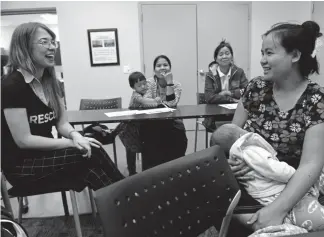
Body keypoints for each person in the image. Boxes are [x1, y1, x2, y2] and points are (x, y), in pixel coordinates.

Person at [211, 21, 324, 233]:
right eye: (262, 53)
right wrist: (231, 161)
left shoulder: (317, 99)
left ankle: (269, 220)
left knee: (311, 218)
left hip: (291, 181)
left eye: (269, 53)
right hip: (251, 175)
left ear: (295, 56)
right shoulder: (256, 88)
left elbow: (310, 164)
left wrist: (277, 209)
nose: (262, 60)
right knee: (207, 189)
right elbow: (232, 137)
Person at [1, 22, 124, 191]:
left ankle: (126, 208)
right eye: (44, 42)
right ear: (24, 47)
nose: (52, 47)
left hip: (46, 157)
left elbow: (62, 124)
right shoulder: (12, 87)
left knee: (90, 165)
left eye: (53, 42)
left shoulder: (52, 83)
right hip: (21, 167)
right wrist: (71, 143)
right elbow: (24, 140)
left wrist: (75, 136)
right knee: (90, 151)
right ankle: (131, 194)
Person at [212, 124, 324, 232]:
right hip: (282, 188)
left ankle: (289, 226)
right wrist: (293, 174)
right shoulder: (251, 151)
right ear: (241, 137)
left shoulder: (241, 153)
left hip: (266, 196)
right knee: (314, 217)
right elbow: (277, 170)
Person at [140, 55, 188, 170]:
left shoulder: (176, 84)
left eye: (165, 65)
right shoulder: (149, 83)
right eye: (158, 65)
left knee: (178, 134)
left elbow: (171, 104)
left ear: (170, 68)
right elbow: (147, 103)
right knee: (152, 135)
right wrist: (161, 103)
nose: (162, 68)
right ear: (154, 69)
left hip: (171, 121)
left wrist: (169, 83)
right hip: (151, 121)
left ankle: (175, 168)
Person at [116, 71, 162, 175]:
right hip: (129, 126)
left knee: (142, 145)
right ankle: (132, 171)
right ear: (133, 87)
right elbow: (145, 102)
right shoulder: (136, 95)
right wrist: (156, 100)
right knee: (130, 149)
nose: (143, 86)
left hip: (139, 126)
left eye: (144, 83)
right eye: (139, 85)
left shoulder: (145, 92)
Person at [203, 40, 248, 131]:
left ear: (231, 56)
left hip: (236, 112)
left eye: (227, 53)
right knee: (223, 135)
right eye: (221, 54)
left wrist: (229, 93)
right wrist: (231, 99)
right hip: (215, 115)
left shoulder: (239, 72)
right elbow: (209, 97)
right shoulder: (210, 75)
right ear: (216, 59)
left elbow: (246, 91)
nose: (224, 56)